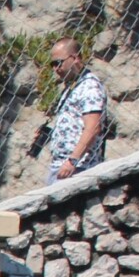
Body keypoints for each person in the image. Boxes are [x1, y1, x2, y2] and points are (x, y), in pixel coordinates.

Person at [45, 39, 107, 183]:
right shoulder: (73, 88)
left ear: (75, 58)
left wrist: (72, 161)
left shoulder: (90, 87)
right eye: (52, 64)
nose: (55, 69)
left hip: (78, 168)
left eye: (58, 63)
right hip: (63, 166)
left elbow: (92, 127)